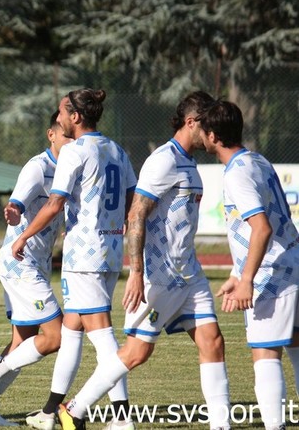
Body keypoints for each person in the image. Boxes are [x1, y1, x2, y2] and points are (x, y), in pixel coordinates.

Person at [56, 92, 232, 430]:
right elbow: (136, 214)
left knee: (213, 340)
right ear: (191, 122)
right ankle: (74, 408)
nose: (212, 132)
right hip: (159, 276)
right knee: (136, 352)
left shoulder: (190, 162)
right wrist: (136, 272)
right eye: (207, 125)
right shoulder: (163, 160)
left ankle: (221, 424)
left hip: (189, 273)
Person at [8, 89, 137, 430]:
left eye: (62, 112)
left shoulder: (75, 151)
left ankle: (122, 416)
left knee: (101, 333)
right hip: (109, 249)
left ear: (75, 117)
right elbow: (131, 200)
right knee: (73, 328)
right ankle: (50, 412)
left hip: (84, 255)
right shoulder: (116, 149)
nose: (59, 118)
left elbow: (54, 204)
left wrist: (23, 235)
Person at [197, 100, 299, 430]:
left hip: (273, 274)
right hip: (293, 264)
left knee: (265, 354)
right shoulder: (258, 161)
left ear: (212, 136)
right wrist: (236, 273)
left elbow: (262, 227)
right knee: (296, 347)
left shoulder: (237, 174)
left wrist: (247, 280)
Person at [0, 111, 70, 427]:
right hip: (19, 262)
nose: (71, 143)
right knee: (57, 336)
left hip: (35, 265)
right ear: (51, 135)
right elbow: (17, 202)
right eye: (65, 136)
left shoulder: (72, 171)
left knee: (22, 341)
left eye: (74, 137)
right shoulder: (38, 167)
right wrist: (14, 212)